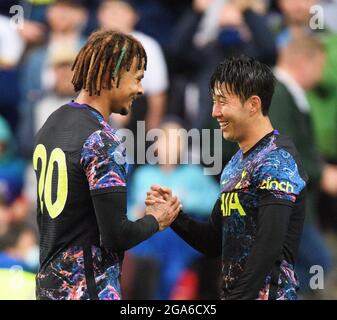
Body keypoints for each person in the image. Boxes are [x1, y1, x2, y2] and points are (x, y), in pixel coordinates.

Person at [32, 30, 181, 300]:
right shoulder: (101, 140)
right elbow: (116, 236)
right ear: (112, 75)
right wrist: (156, 220)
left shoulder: (51, 123)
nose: (140, 89)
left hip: (48, 288)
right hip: (88, 290)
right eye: (137, 78)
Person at [147, 55, 308, 300]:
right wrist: (174, 215)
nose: (215, 112)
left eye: (222, 102)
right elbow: (214, 240)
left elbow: (268, 246)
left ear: (253, 104)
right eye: (213, 101)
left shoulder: (278, 161)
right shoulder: (235, 163)